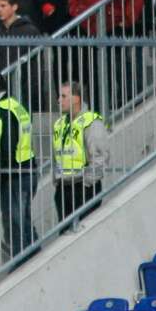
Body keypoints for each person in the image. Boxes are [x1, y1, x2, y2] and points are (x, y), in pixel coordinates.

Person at [42, 80, 109, 225]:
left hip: (83, 188)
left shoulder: (90, 122)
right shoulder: (59, 124)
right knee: (66, 234)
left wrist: (87, 183)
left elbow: (99, 157)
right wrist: (57, 181)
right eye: (59, 96)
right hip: (64, 189)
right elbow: (56, 157)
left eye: (64, 96)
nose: (59, 100)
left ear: (77, 98)